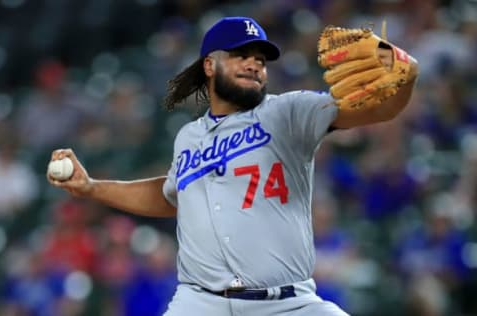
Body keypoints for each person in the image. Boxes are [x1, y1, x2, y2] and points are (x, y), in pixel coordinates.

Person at [48, 16, 419, 316]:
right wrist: (91, 187)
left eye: (260, 59)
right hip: (200, 303)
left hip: (288, 304)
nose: (254, 64)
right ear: (209, 65)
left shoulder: (287, 111)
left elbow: (379, 108)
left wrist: (403, 72)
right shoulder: (189, 138)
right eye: (241, 54)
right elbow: (170, 195)